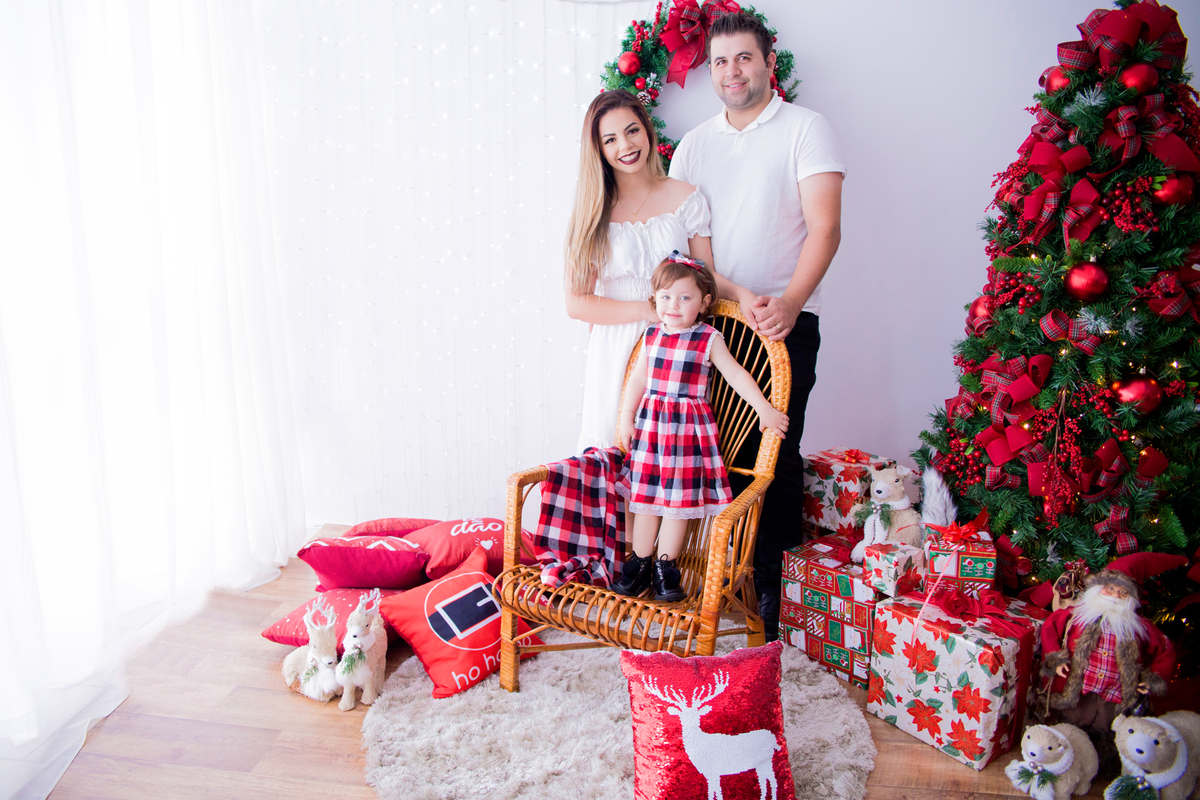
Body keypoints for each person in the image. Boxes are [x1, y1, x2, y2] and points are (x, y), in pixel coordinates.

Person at [668, 11, 845, 639]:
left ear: (769, 63)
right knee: (701, 449)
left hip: (781, 321)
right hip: (708, 322)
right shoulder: (694, 145)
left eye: (743, 58)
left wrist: (792, 301)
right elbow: (691, 244)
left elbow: (825, 227)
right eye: (719, 62)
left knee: (774, 455)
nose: (731, 71)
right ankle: (703, 579)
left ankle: (772, 597)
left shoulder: (806, 128)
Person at [565, 90, 757, 453]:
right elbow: (576, 304)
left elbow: (706, 276)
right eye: (610, 139)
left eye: (632, 130)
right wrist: (643, 309)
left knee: (667, 458)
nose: (626, 144)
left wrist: (744, 294)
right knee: (613, 447)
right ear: (599, 149)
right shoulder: (592, 214)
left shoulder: (685, 197)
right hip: (615, 345)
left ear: (648, 131)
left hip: (677, 342)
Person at [612, 253, 788, 602]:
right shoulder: (651, 336)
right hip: (651, 434)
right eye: (665, 297)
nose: (672, 305)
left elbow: (736, 375)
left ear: (705, 301)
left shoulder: (707, 338)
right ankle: (641, 562)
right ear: (655, 299)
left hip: (687, 436)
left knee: (678, 505)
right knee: (645, 502)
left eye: (684, 297)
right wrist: (625, 416)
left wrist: (764, 409)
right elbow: (636, 381)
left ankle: (666, 566)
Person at [1042, 566, 1175, 768]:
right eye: (1110, 589)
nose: (1115, 597)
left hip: (1114, 693)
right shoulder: (1077, 616)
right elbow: (1051, 625)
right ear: (1098, 589)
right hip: (1079, 689)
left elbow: (1165, 648)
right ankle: (1064, 759)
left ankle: (1105, 764)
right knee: (1071, 722)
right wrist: (1055, 658)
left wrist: (1152, 678)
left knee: (1108, 729)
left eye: (1123, 593)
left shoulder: (1139, 628)